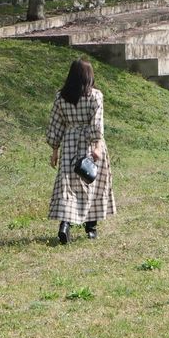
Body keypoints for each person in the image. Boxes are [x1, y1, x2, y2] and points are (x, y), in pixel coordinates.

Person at [46, 56, 116, 244]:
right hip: (89, 144)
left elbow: (56, 123)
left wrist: (55, 149)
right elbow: (97, 123)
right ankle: (91, 227)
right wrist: (97, 146)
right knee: (92, 182)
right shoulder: (95, 96)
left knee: (68, 185)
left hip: (69, 142)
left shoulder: (61, 97)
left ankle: (65, 225)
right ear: (88, 76)